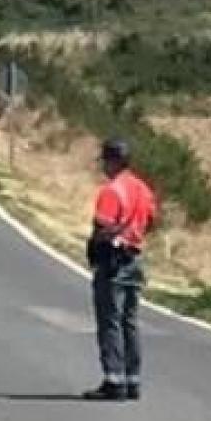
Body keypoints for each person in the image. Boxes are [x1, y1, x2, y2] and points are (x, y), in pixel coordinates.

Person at [84, 138, 157, 402]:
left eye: (105, 160)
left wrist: (96, 245)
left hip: (113, 261)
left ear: (113, 161)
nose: (103, 166)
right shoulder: (142, 188)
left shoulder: (111, 191)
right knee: (130, 321)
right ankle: (132, 379)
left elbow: (103, 227)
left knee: (110, 320)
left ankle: (114, 379)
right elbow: (150, 219)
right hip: (134, 258)